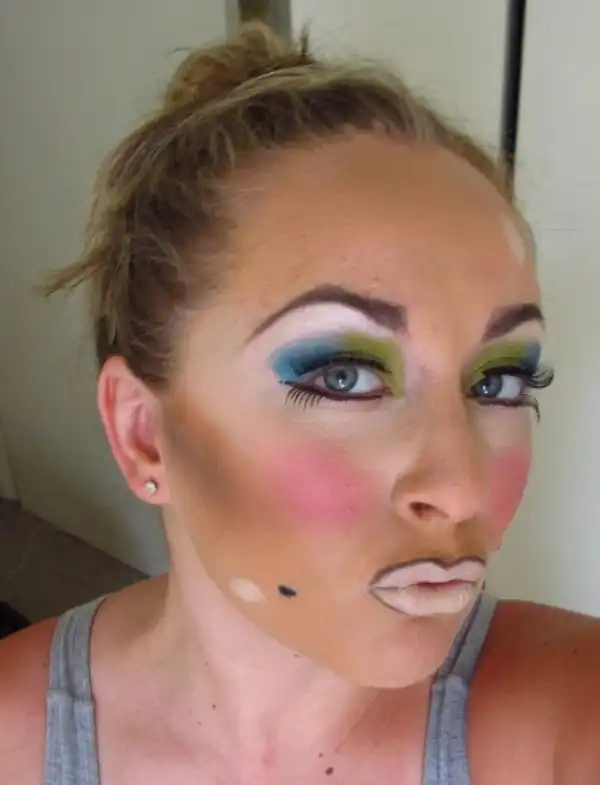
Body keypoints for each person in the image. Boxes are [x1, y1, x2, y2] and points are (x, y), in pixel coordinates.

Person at [0, 21, 598, 785]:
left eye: (498, 381)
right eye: (344, 376)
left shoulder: (569, 714)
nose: (462, 487)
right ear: (145, 434)